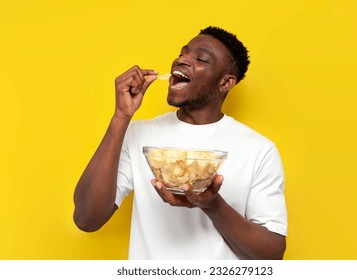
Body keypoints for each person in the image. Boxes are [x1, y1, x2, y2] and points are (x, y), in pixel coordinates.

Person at [73, 26, 287, 260]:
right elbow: (86, 219)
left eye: (200, 58)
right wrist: (121, 117)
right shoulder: (138, 133)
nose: (182, 59)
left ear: (225, 83)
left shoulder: (258, 150)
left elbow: (272, 254)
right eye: (182, 53)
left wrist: (213, 205)